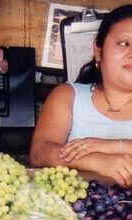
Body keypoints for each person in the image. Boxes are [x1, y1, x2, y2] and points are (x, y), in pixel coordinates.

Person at [30, 4, 132, 188]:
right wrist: (96, 161)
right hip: (72, 215)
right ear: (98, 51)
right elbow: (40, 153)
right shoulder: (68, 96)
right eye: (124, 43)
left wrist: (109, 146)